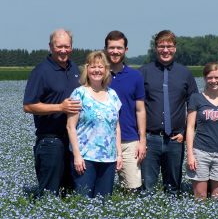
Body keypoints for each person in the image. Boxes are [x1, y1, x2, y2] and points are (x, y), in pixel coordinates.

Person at [139, 30, 198, 195]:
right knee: (147, 189)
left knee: (173, 189)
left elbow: (194, 106)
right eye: (161, 46)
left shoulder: (185, 73)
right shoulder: (143, 72)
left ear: (175, 48)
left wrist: (186, 133)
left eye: (169, 46)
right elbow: (137, 106)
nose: (165, 50)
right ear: (155, 48)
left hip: (175, 140)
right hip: (150, 139)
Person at [23, 29, 81, 197]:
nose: (63, 50)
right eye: (59, 46)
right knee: (49, 193)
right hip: (50, 141)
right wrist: (60, 108)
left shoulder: (74, 68)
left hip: (74, 141)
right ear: (50, 46)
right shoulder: (41, 71)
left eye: (67, 46)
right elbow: (28, 106)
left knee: (70, 192)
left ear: (71, 47)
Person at [66, 51, 123, 198]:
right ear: (87, 69)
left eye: (100, 66)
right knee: (84, 201)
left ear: (106, 70)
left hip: (109, 159)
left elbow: (116, 127)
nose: (96, 70)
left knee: (104, 203)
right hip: (86, 158)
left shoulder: (113, 95)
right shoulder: (79, 94)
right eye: (92, 67)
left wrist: (119, 154)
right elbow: (70, 126)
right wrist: (77, 156)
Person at [186, 62, 218, 199]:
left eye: (217, 77)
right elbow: (190, 128)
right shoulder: (196, 98)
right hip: (200, 152)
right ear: (204, 78)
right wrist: (190, 154)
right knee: (200, 197)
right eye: (209, 77)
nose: (213, 81)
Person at [104, 30, 146, 191]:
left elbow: (140, 110)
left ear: (125, 50)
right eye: (112, 47)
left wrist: (142, 141)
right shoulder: (97, 74)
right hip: (102, 141)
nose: (115, 51)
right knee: (101, 190)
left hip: (129, 140)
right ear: (106, 49)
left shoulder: (135, 76)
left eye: (119, 48)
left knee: (132, 188)